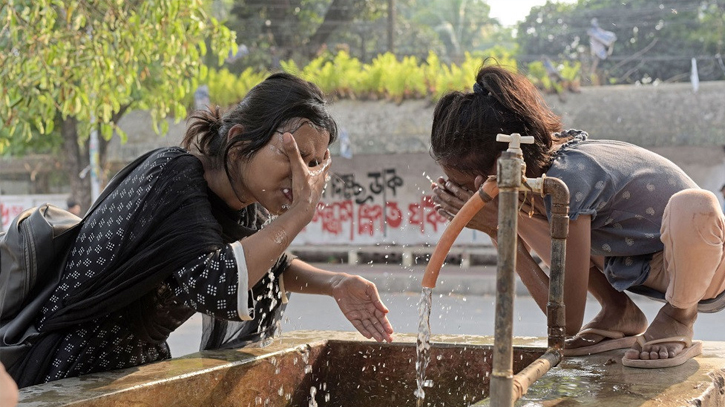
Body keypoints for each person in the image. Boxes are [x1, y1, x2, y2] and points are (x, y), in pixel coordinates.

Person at [7, 73, 393, 388]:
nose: (303, 175)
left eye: (313, 163)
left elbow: (269, 265)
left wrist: (335, 283)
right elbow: (216, 282)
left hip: (128, 372)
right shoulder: (173, 177)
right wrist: (301, 214)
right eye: (290, 155)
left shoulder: (239, 204)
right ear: (241, 142)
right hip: (66, 371)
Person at [429, 63, 725, 368]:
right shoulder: (543, 177)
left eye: (464, 186)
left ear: (504, 163)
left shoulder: (569, 178)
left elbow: (566, 321)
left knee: (695, 205)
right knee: (521, 208)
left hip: (705, 267)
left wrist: (500, 232)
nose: (462, 195)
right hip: (635, 263)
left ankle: (678, 316)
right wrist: (504, 222)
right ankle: (618, 311)